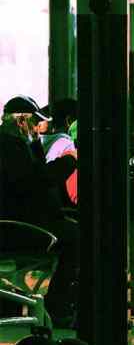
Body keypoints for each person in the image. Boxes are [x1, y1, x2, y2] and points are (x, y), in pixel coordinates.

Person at [0, 95, 80, 325]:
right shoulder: (9, 148)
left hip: (28, 220)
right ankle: (58, 305)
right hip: (19, 226)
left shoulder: (17, 144)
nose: (39, 128)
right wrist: (68, 162)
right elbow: (36, 182)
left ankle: (60, 303)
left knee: (75, 232)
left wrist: (34, 143)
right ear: (21, 121)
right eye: (35, 123)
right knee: (76, 239)